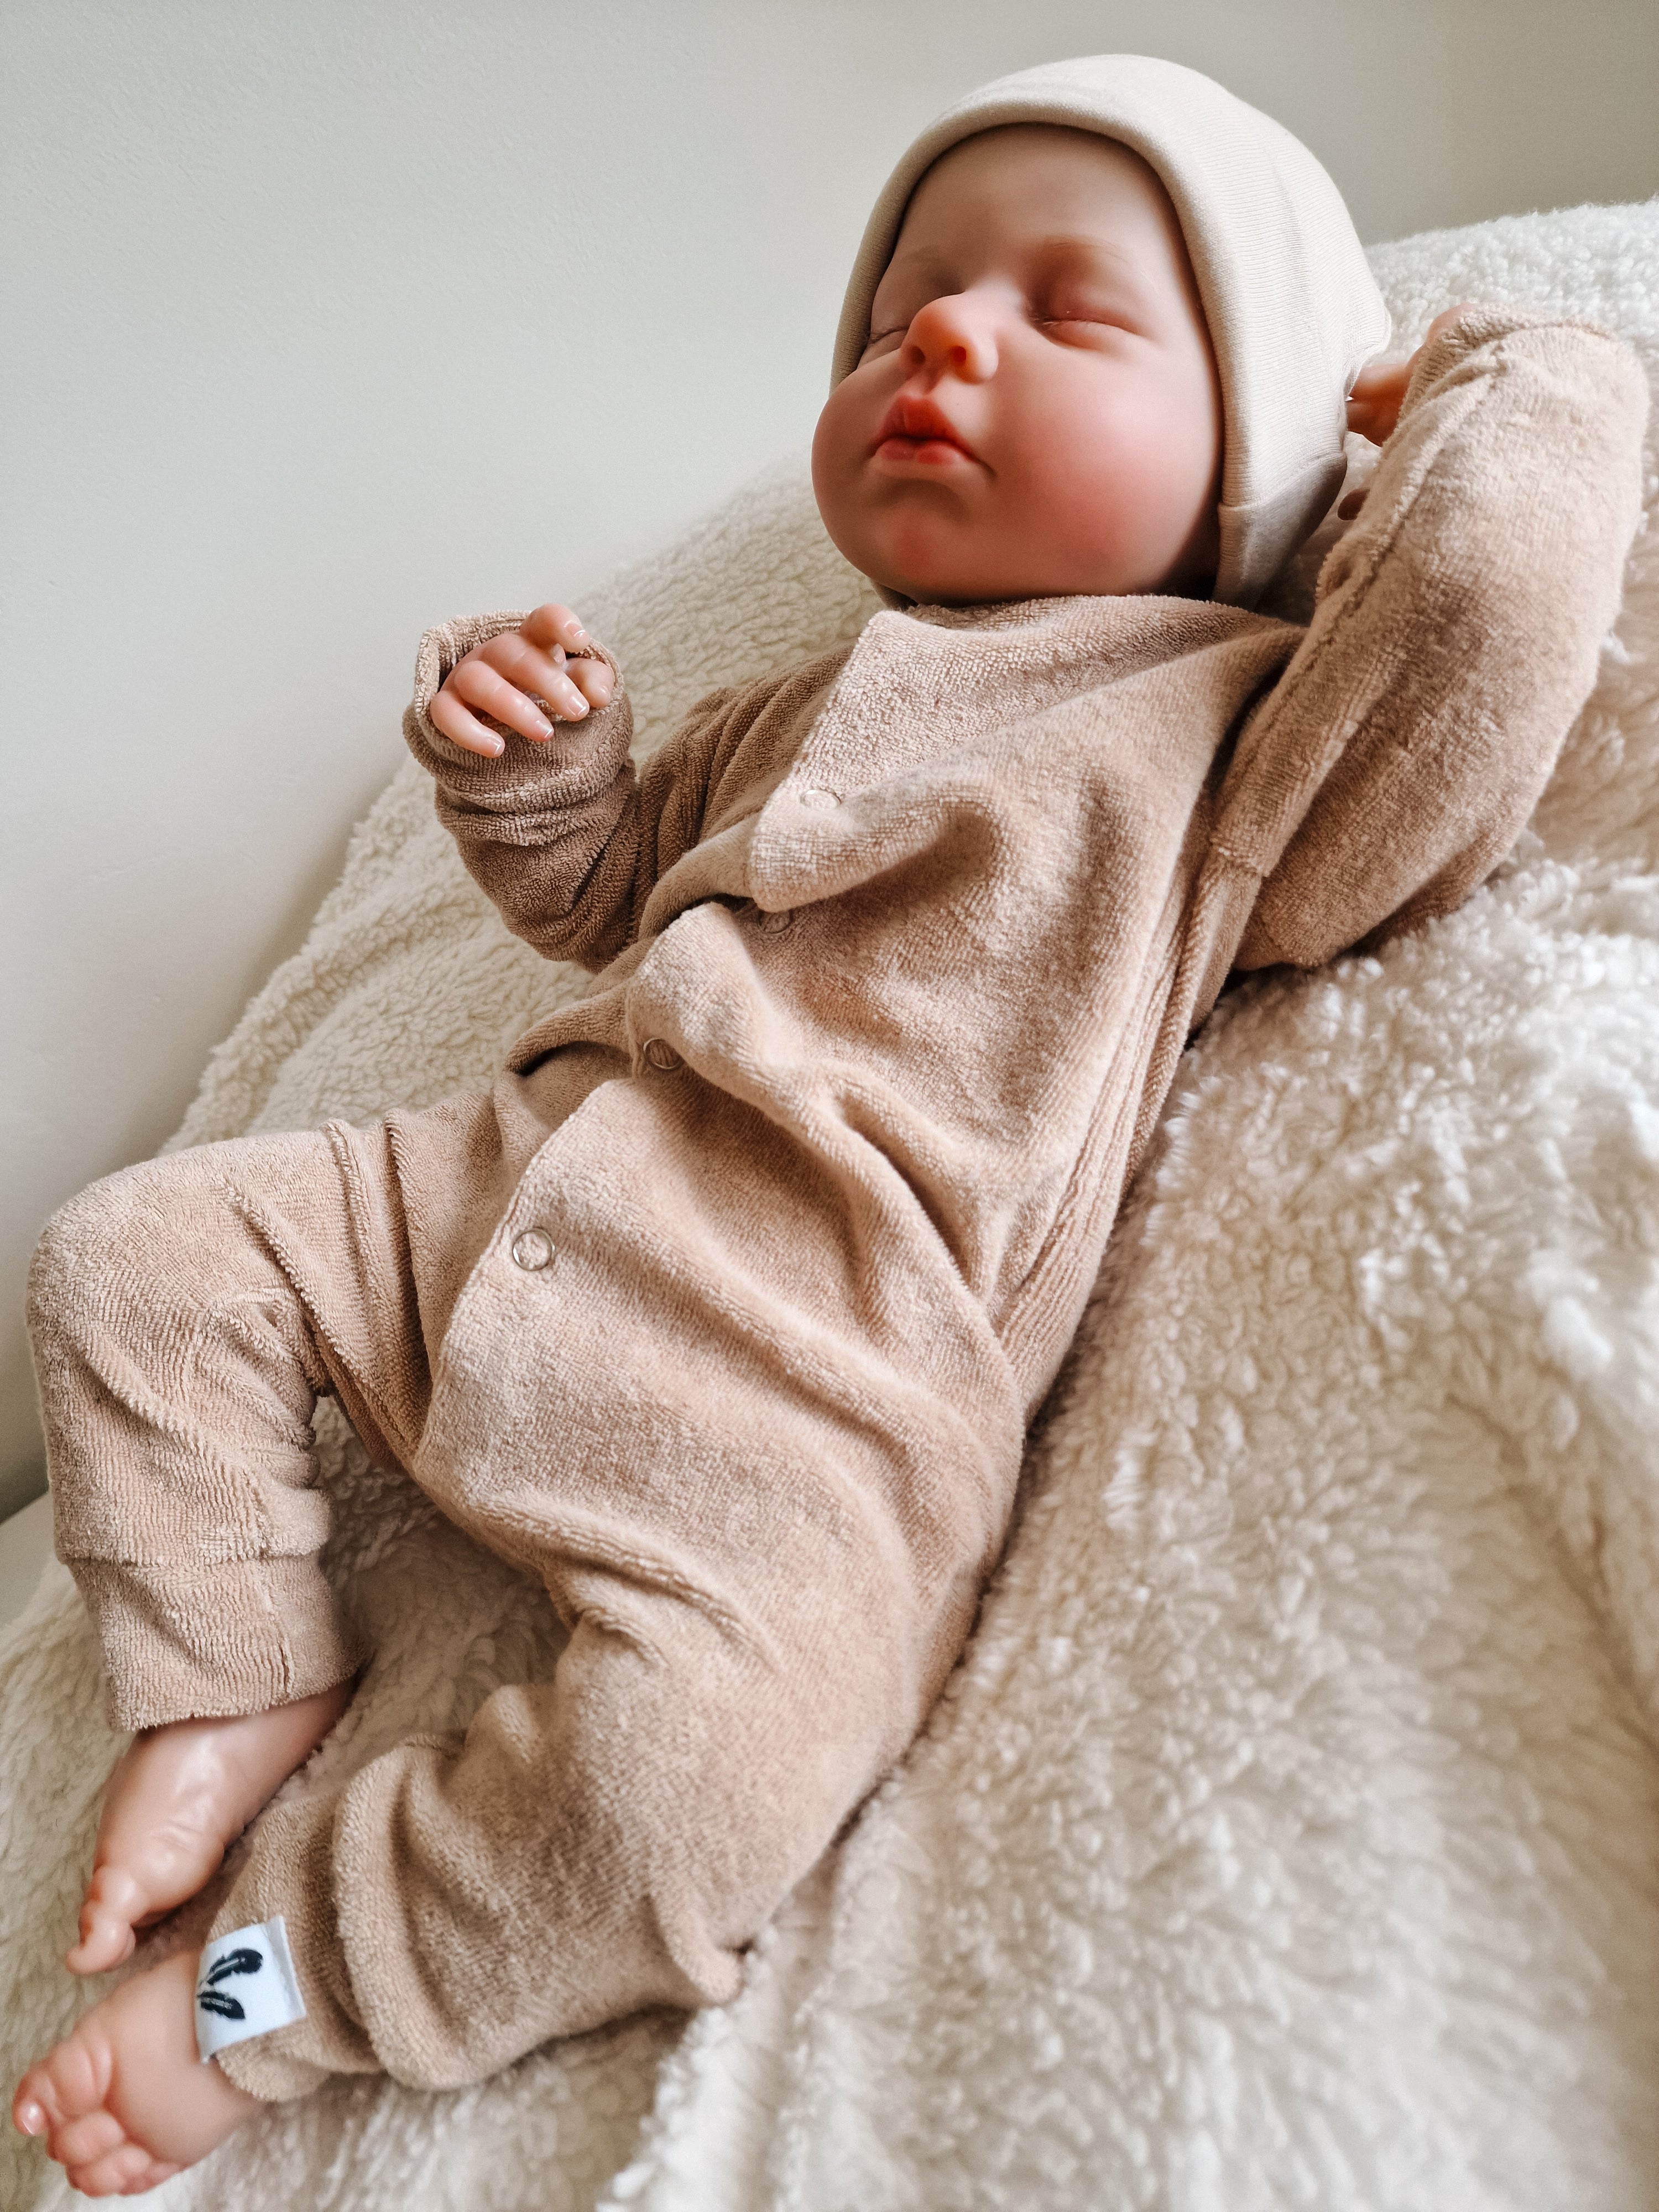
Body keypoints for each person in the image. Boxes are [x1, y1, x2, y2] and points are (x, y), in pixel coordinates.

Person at [12, 53, 1646, 2197]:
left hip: (808, 1387)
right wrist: (547, 773)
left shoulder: (1227, 747)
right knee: (131, 1263)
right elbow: (610, 896)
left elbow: (1476, 625)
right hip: (516, 1191)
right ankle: (232, 1670)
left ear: (1255, 436)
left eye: (1067, 314)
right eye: (897, 314)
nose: (938, 341)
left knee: (679, 1798)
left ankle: (268, 1987)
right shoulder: (802, 701)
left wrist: (1499, 385)